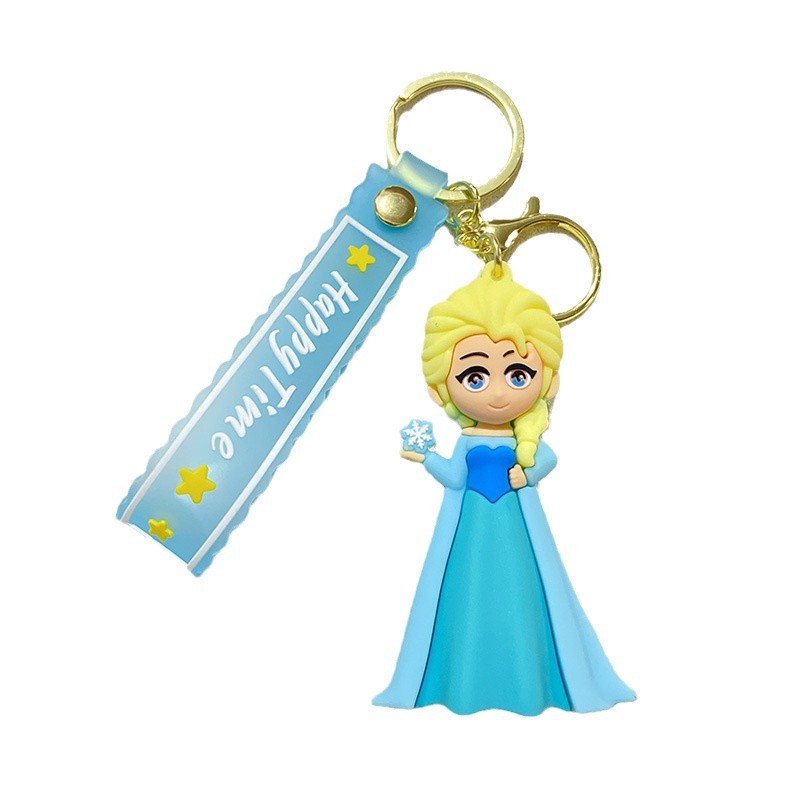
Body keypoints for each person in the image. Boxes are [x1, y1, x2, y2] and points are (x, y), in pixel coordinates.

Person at [373, 262, 636, 715]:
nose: (497, 393)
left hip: (517, 532)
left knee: (523, 592)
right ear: (440, 389)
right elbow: (456, 477)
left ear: (546, 379)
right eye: (475, 377)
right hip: (470, 535)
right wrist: (426, 457)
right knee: (468, 593)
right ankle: (462, 678)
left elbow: (548, 458)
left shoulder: (524, 441)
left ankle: (528, 677)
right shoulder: (468, 440)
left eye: (517, 375)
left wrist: (527, 476)